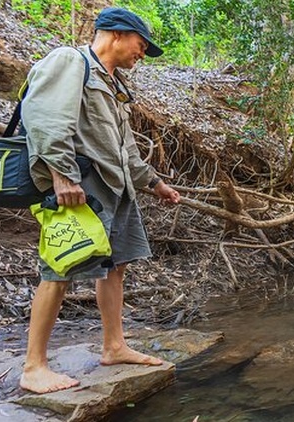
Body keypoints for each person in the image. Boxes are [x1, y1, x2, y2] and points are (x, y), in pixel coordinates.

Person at [19, 7, 181, 394]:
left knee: (116, 267)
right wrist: (61, 175)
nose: (142, 54)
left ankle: (114, 346)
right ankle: (33, 366)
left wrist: (154, 183)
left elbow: (124, 149)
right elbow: (43, 118)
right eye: (141, 45)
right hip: (79, 188)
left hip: (115, 188)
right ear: (116, 34)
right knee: (59, 268)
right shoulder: (70, 61)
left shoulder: (114, 86)